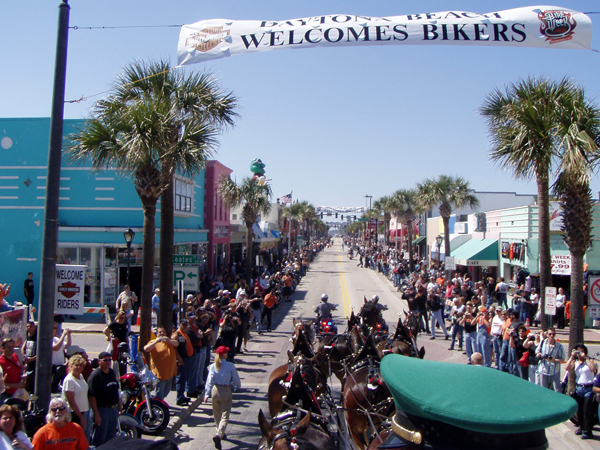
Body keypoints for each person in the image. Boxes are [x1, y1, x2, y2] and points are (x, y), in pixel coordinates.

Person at [204, 346, 242, 450]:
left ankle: (219, 431)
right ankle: (219, 434)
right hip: (226, 390)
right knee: (225, 414)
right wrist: (238, 386)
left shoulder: (213, 366)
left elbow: (209, 381)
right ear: (224, 355)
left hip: (215, 390)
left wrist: (206, 394)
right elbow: (235, 379)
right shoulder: (230, 365)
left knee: (217, 414)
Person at [88, 351, 121, 447]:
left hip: (113, 410)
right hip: (101, 411)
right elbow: (91, 396)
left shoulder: (111, 372)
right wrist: (96, 414)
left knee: (110, 439)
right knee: (99, 439)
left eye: (109, 360)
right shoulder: (95, 376)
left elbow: (116, 389)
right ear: (99, 361)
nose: (107, 362)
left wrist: (119, 405)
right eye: (105, 360)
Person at [566, 343, 595, 440]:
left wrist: (586, 358)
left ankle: (587, 431)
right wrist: (572, 357)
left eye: (582, 351)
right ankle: (582, 428)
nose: (580, 353)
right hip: (579, 388)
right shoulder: (576, 362)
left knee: (586, 411)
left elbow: (593, 369)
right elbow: (567, 368)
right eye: (578, 351)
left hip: (588, 389)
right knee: (579, 411)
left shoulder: (589, 360)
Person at [144, 326, 180, 400]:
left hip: (170, 372)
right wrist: (156, 341)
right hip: (160, 373)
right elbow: (146, 349)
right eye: (160, 332)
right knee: (159, 391)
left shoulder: (170, 342)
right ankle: (158, 404)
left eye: (163, 332)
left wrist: (169, 340)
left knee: (167, 389)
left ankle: (160, 402)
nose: (162, 333)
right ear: (157, 334)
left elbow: (177, 344)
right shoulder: (153, 342)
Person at [62, 355, 91, 442]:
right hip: (74, 414)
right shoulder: (69, 380)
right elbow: (71, 401)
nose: (78, 367)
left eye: (80, 365)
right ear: (71, 366)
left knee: (84, 438)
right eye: (76, 365)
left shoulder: (81, 377)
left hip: (84, 412)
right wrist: (81, 417)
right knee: (75, 438)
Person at [172, 319, 195, 406]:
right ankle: (179, 398)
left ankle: (182, 396)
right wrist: (179, 359)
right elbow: (174, 349)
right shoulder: (176, 334)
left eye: (186, 325)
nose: (185, 326)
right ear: (180, 324)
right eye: (184, 324)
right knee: (180, 379)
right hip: (182, 360)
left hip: (187, 358)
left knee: (184, 378)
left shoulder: (184, 334)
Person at [0, 339, 23, 405]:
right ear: (2, 348)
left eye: (12, 346)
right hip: (6, 394)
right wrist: (17, 385)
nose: (11, 349)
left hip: (18, 392)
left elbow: (19, 370)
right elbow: (1, 384)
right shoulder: (1, 362)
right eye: (8, 347)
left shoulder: (15, 356)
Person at [52, 322, 71, 393]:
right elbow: (56, 348)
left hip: (60, 367)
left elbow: (67, 346)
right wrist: (63, 335)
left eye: (57, 328)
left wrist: (68, 335)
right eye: (54, 328)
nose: (56, 329)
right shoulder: (48, 339)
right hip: (53, 368)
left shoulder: (56, 339)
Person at [21, 321, 37, 394]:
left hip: (35, 365)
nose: (29, 328)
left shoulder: (37, 337)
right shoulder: (28, 336)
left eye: (31, 326)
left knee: (33, 386)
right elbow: (22, 349)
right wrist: (24, 357)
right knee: (26, 385)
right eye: (27, 326)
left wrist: (31, 359)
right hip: (28, 365)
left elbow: (41, 353)